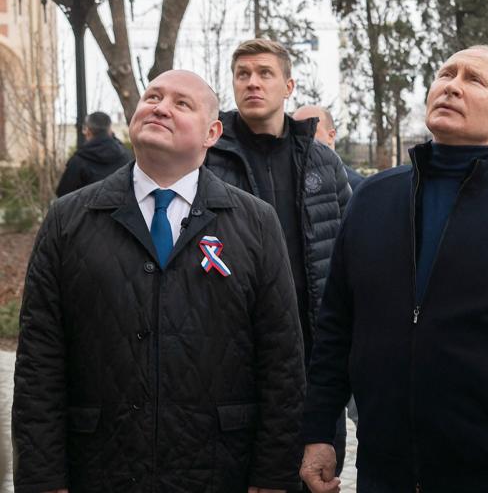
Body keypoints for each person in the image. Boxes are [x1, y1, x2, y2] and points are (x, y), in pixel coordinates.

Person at [300, 45, 488, 493]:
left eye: (473, 79)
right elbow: (336, 327)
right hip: (384, 470)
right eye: (445, 74)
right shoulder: (373, 199)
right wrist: (319, 432)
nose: (452, 85)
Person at [13, 70, 305, 492]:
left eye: (181, 103)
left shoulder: (256, 223)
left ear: (212, 132)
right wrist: (41, 480)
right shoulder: (68, 220)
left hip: (221, 469)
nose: (160, 107)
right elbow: (39, 364)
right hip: (99, 469)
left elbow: (282, 361)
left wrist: (274, 476)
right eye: (153, 96)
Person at [205, 40, 351, 472]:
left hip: (313, 352)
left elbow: (348, 250)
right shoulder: (205, 159)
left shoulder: (323, 162)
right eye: (243, 73)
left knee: (314, 471)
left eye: (265, 73)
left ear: (287, 86)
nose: (253, 82)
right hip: (229, 351)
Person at [55, 111, 132, 196]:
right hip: (124, 208)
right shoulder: (126, 156)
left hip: (88, 208)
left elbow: (63, 195)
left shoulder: (78, 161)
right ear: (110, 130)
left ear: (87, 131)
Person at [292, 105, 365, 190]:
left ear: (331, 136)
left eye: (308, 130)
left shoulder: (359, 187)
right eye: (295, 132)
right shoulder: (286, 184)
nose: (299, 138)